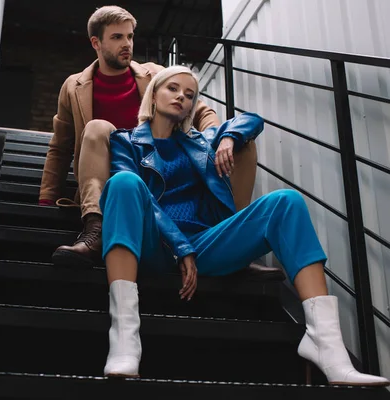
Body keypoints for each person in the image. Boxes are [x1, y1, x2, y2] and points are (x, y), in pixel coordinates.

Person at [99, 65, 389, 386]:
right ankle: (125, 336)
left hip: (206, 245)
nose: (182, 96)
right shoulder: (125, 141)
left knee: (286, 201)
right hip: (153, 245)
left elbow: (252, 119)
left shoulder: (200, 142)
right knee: (124, 183)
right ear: (153, 95)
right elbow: (136, 198)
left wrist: (227, 137)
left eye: (190, 94)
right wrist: (179, 245)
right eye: (173, 89)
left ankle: (326, 344)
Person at [39, 6, 263, 272]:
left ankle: (234, 242)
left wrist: (218, 141)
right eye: (117, 37)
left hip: (155, 172)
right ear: (96, 43)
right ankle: (95, 230)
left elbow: (202, 112)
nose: (127, 44)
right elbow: (61, 145)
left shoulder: (155, 75)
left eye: (130, 36)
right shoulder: (73, 86)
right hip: (111, 174)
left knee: (241, 144)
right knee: (97, 128)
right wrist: (47, 198)